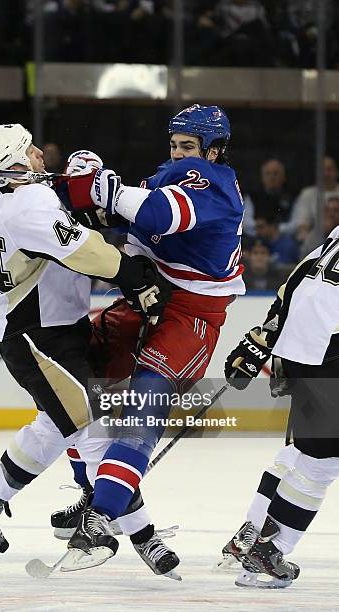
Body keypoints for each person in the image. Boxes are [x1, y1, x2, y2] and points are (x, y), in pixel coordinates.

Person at [0, 121, 173, 571]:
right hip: (37, 335)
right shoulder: (25, 207)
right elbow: (83, 248)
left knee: (56, 423)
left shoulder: (5, 191)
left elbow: (57, 212)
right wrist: (134, 278)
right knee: (91, 426)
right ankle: (138, 533)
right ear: (11, 168)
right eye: (29, 152)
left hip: (53, 326)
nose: (39, 155)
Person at [58, 104, 246, 571]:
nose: (179, 155)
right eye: (175, 145)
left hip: (193, 313)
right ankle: (98, 495)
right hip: (153, 297)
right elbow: (124, 225)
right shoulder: (172, 173)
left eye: (189, 147)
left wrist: (106, 188)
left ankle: (102, 515)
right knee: (74, 383)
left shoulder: (216, 187)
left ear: (214, 150)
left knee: (146, 402)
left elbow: (158, 214)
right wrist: (78, 191)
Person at [219, 225, 339, 588]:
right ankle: (266, 552)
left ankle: (252, 534)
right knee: (321, 462)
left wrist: (262, 339)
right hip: (329, 357)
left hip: (308, 353)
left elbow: (296, 284)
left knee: (302, 453)